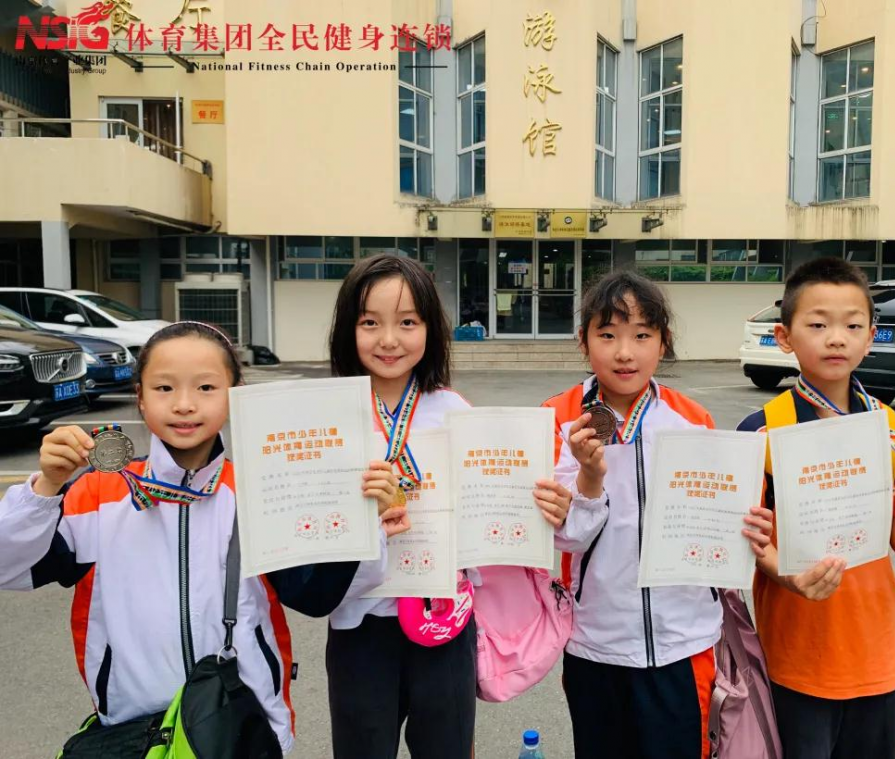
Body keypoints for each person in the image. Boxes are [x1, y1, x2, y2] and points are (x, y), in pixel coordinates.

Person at [270, 255, 564, 759]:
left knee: (447, 747)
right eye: (370, 323)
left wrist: (536, 503)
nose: (389, 340)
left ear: (431, 329)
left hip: (446, 619)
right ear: (347, 329)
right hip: (361, 625)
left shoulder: (452, 410)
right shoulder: (326, 418)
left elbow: (488, 504)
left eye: (407, 323)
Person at [0, 322, 307, 754]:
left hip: (239, 728)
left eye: (206, 387)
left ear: (235, 395)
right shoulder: (98, 493)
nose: (184, 404)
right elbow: (8, 567)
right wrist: (46, 488)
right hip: (134, 731)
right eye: (164, 388)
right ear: (140, 397)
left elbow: (316, 593)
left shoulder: (257, 493)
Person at [737, 257, 895, 759]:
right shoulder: (760, 431)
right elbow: (747, 537)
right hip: (796, 655)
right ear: (784, 336)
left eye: (853, 326)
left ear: (871, 336)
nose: (836, 339)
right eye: (818, 325)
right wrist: (784, 573)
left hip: (876, 651)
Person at [543, 269, 774, 759]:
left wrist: (745, 529)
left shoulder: (692, 418)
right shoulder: (561, 417)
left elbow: (717, 517)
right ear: (584, 341)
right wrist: (589, 476)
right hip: (596, 640)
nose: (624, 353)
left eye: (642, 336)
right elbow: (566, 538)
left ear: (663, 342)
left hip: (683, 642)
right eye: (608, 335)